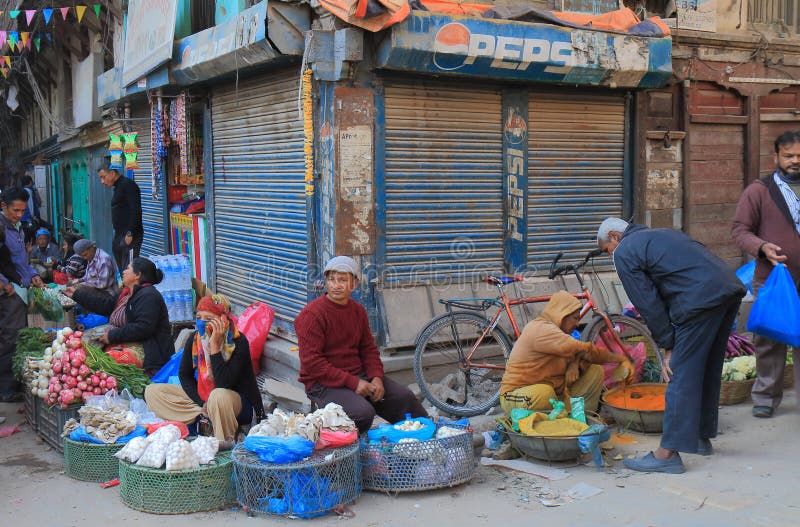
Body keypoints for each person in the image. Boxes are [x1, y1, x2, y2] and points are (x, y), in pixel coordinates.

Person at [597, 217, 746, 474]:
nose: (609, 255)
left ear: (615, 236)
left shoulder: (625, 251)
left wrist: (668, 346)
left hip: (698, 301)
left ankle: (667, 454)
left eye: (606, 249)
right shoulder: (660, 235)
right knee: (706, 367)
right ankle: (700, 437)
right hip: (727, 290)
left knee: (678, 372)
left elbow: (648, 303)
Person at [295, 256, 427, 434]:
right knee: (362, 413)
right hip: (323, 383)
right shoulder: (311, 315)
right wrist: (353, 383)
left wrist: (377, 377)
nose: (336, 285)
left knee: (404, 398)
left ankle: (424, 441)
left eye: (342, 280)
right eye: (331, 279)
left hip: (358, 375)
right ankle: (345, 454)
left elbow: (368, 350)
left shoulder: (358, 311)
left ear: (354, 284)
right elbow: (313, 363)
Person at [732, 130, 800, 418]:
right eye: (789, 156)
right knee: (769, 341)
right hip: (773, 279)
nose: (795, 161)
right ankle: (765, 398)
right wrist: (762, 247)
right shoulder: (759, 191)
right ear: (776, 157)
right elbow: (739, 231)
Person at [145, 294, 265, 442]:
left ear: (222, 319)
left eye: (208, 319)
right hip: (206, 400)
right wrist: (202, 404)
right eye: (198, 317)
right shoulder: (195, 339)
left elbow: (224, 382)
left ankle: (224, 442)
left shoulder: (238, 342)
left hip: (237, 405)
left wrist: (214, 347)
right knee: (153, 391)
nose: (201, 323)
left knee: (218, 396)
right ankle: (205, 417)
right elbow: (184, 375)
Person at [500, 290, 635, 416]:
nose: (577, 324)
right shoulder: (540, 329)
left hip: (555, 394)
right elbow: (584, 349)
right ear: (562, 314)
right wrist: (620, 360)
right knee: (544, 394)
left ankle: (583, 420)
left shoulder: (559, 333)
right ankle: (551, 426)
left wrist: (574, 364)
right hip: (515, 396)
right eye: (575, 318)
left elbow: (580, 354)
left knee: (595, 371)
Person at [67, 257, 171, 373]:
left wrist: (112, 336)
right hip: (125, 340)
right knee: (82, 348)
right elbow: (105, 305)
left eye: (128, 268)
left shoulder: (148, 296)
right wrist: (76, 295)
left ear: (137, 275)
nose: (124, 271)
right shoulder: (126, 293)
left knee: (103, 361)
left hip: (148, 350)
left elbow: (143, 328)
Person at [0, 187, 45, 402]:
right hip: (9, 293)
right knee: (9, 338)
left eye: (22, 210)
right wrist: (4, 284)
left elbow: (20, 262)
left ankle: (15, 383)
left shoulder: (17, 228)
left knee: (18, 337)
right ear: (4, 207)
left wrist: (33, 275)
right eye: (15, 210)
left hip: (20, 290)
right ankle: (6, 389)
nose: (19, 214)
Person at [98, 167, 143, 272]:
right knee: (122, 267)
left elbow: (136, 210)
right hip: (120, 233)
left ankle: (132, 288)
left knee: (130, 268)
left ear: (112, 173)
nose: (102, 181)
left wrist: (130, 233)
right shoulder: (118, 187)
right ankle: (125, 287)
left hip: (129, 235)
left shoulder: (128, 185)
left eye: (103, 177)